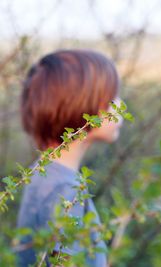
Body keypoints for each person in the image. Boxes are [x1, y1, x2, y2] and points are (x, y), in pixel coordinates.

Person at [16, 49, 123, 267]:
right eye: (112, 99)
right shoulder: (64, 190)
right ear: (81, 107)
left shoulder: (42, 173)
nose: (121, 106)